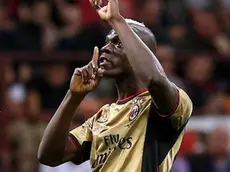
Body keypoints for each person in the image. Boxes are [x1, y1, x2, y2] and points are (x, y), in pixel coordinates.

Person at [38, 0, 193, 171]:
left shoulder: (169, 103)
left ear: (140, 52)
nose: (105, 48)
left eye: (118, 43)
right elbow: (48, 156)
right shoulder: (102, 117)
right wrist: (73, 96)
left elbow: (153, 79)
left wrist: (118, 20)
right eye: (108, 41)